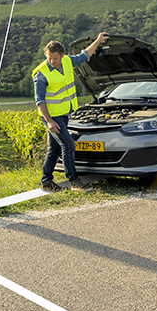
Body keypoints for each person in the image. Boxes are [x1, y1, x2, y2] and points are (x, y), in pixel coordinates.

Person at [32, 33, 109, 192]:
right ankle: (74, 181)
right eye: (49, 58)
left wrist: (98, 40)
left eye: (55, 58)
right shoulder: (41, 74)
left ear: (62, 55)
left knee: (54, 149)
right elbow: (40, 101)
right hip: (51, 116)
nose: (52, 61)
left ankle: (46, 181)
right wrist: (49, 121)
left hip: (64, 113)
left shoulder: (67, 61)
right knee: (68, 145)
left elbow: (84, 55)